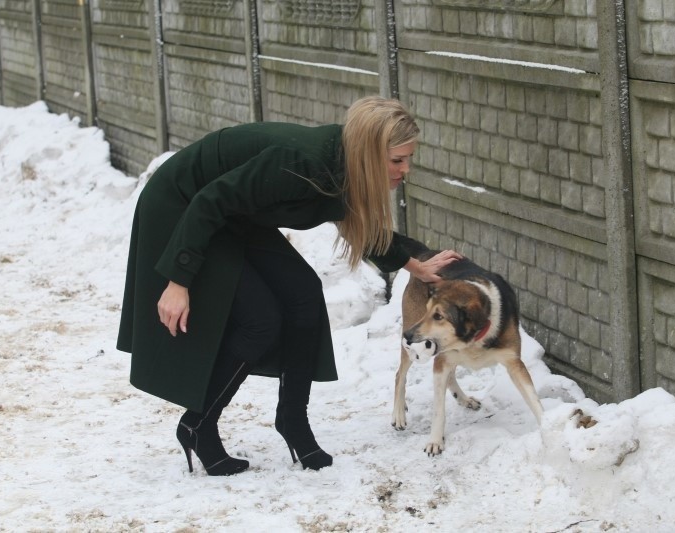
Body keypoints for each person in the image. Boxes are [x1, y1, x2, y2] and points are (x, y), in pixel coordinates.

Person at [116, 96, 461, 476]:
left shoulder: (344, 169)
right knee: (260, 318)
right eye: (397, 160)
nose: (405, 169)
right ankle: (198, 425)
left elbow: (363, 229)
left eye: (408, 159)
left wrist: (415, 266)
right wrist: (179, 280)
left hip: (233, 214)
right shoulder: (303, 165)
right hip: (184, 207)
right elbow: (209, 202)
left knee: (302, 295)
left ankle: (292, 421)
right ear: (367, 153)